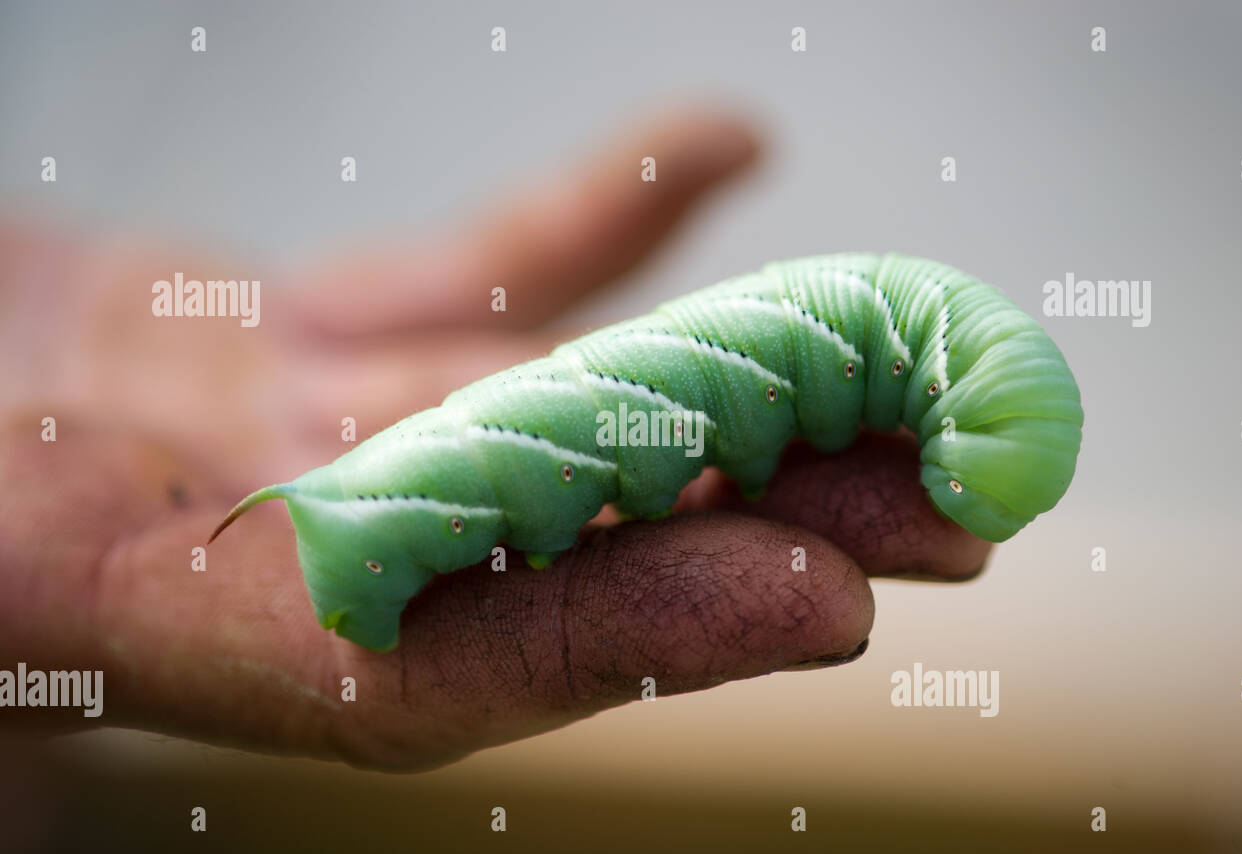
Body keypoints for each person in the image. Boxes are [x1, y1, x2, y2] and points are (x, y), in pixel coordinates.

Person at [0, 109, 989, 770]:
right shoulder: (847, 342)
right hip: (378, 514)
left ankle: (356, 519)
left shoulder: (840, 339)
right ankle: (359, 527)